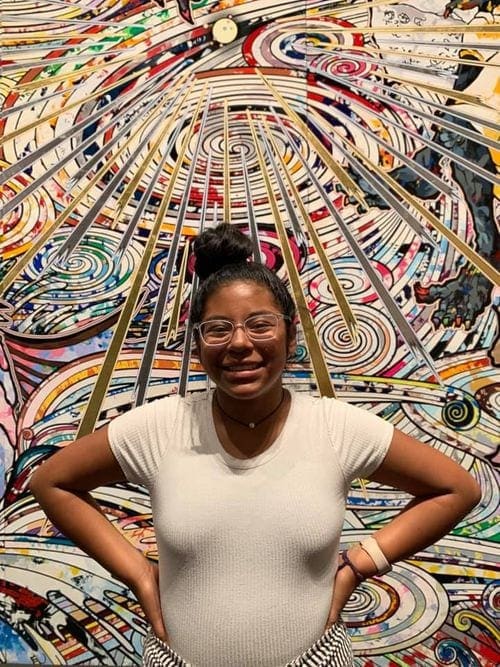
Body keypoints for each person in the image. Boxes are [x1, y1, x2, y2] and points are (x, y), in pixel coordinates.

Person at [30, 223, 481, 667]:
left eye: (260, 325)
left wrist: (363, 563)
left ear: (290, 333)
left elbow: (457, 489)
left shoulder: (336, 428)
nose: (240, 343)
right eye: (218, 328)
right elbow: (52, 482)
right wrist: (138, 575)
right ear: (199, 342)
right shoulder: (160, 428)